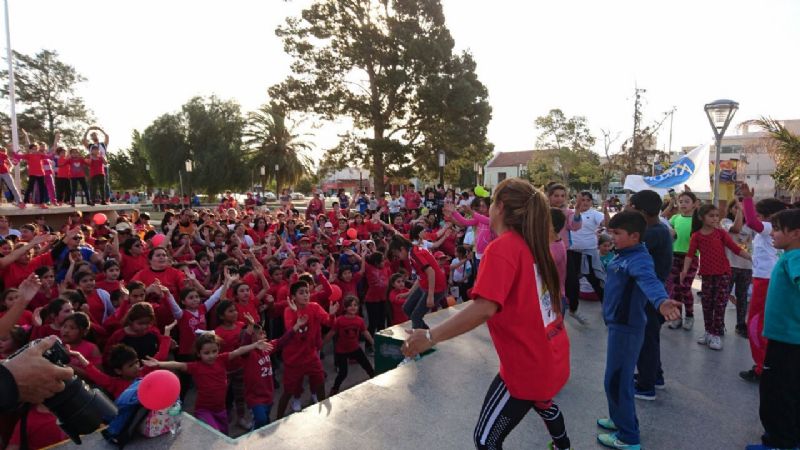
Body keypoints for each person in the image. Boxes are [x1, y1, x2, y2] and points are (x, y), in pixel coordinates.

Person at [404, 178, 573, 450]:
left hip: (527, 365)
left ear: (500, 207)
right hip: (553, 355)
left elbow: (484, 308)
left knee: (485, 442)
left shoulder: (503, 248)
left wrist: (430, 335)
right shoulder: (536, 244)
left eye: (492, 201)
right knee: (543, 402)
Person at [597, 211, 681, 449]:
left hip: (626, 329)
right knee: (614, 378)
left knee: (616, 381)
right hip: (618, 326)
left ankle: (628, 437)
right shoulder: (624, 253)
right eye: (611, 232)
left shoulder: (639, 259)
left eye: (617, 233)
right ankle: (619, 420)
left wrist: (662, 301)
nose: (612, 237)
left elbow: (650, 281)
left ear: (634, 236)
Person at [143, 332, 271, 435]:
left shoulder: (221, 360)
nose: (211, 356)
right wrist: (159, 364)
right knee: (214, 433)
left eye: (214, 351)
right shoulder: (196, 366)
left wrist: (254, 345)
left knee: (223, 436)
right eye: (206, 353)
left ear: (218, 350)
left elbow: (238, 351)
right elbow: (179, 365)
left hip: (221, 409)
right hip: (204, 410)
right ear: (199, 354)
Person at [746, 208, 800, 450]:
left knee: (775, 393)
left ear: (796, 233)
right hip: (787, 338)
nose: (772, 233)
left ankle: (779, 442)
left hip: (787, 340)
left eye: (777, 229)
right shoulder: (789, 256)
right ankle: (788, 438)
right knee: (788, 391)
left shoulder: (796, 258)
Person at [681, 204, 751, 351]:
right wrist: (684, 271)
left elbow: (735, 248)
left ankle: (715, 334)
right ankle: (708, 332)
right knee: (707, 304)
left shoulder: (721, 233)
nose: (715, 218)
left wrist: (751, 258)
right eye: (711, 215)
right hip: (706, 275)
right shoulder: (697, 236)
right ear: (701, 218)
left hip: (723, 274)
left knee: (719, 304)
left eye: (716, 215)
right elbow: (690, 254)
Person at [739, 183, 788, 383]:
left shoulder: (768, 228)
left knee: (756, 325)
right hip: (766, 279)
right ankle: (767, 365)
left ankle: (762, 368)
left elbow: (751, 222)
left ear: (768, 217)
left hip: (765, 281)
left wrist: (747, 200)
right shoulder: (774, 230)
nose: (756, 217)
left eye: (759, 214)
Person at [629, 190, 673, 400]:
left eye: (631, 207)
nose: (627, 209)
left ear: (642, 212)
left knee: (645, 340)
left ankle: (646, 386)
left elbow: (630, 254)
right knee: (650, 338)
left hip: (649, 295)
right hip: (653, 293)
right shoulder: (657, 229)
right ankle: (655, 376)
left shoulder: (652, 233)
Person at [388, 233, 446, 331]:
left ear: (402, 249)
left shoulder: (415, 254)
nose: (398, 258)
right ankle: (422, 330)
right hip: (425, 285)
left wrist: (430, 295)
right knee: (407, 308)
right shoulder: (412, 254)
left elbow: (431, 272)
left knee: (416, 316)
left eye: (397, 255)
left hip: (436, 287)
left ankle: (419, 333)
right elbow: (421, 277)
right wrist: (409, 293)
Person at [565, 191, 608, 325]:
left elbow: (607, 224)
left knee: (596, 279)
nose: (584, 202)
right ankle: (572, 308)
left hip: (588, 252)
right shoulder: (570, 213)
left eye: (587, 200)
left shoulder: (595, 214)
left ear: (591, 202)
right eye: (582, 199)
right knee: (572, 281)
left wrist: (606, 211)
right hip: (572, 252)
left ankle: (606, 307)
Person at [323, 296, 375, 396]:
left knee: (368, 367)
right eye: (350, 305)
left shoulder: (359, 320)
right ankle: (334, 389)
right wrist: (321, 344)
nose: (353, 307)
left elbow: (365, 332)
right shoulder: (339, 320)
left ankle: (376, 380)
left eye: (355, 305)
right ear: (345, 308)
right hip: (341, 351)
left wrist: (373, 342)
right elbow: (331, 333)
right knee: (343, 373)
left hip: (355, 348)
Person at [665, 191, 699, 330]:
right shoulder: (675, 218)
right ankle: (676, 317)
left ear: (694, 204)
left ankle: (689, 316)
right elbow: (665, 224)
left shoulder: (697, 220)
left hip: (691, 257)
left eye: (687, 201)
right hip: (674, 256)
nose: (683, 204)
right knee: (675, 289)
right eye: (681, 201)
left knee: (685, 288)